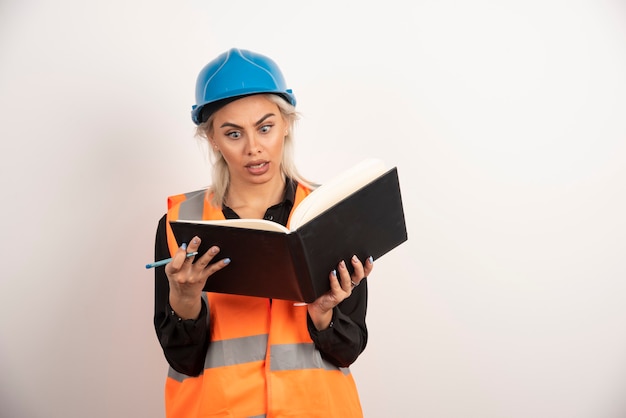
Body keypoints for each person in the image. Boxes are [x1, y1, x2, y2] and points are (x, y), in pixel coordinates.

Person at [153, 47, 374, 418]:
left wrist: (323, 314)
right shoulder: (181, 223)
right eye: (233, 133)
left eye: (265, 127)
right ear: (212, 139)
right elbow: (183, 360)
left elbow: (348, 350)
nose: (253, 148)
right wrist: (185, 299)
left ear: (286, 123)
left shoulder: (331, 214)